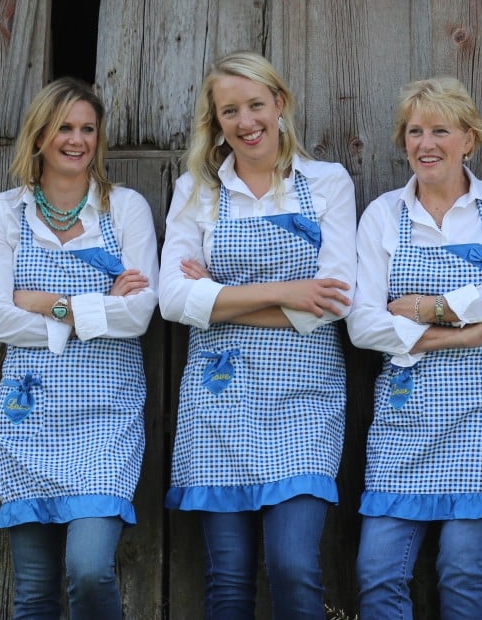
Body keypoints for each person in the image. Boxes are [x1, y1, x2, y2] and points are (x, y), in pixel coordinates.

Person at [159, 50, 356, 620]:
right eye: (229, 111)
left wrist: (218, 298)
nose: (246, 122)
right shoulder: (197, 190)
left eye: (255, 105)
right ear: (215, 122)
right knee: (227, 579)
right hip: (219, 403)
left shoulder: (326, 184)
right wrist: (285, 292)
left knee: (295, 568)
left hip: (304, 398)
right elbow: (173, 300)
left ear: (280, 105)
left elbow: (332, 301)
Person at [347, 76, 482, 620]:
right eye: (414, 131)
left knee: (460, 566)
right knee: (377, 572)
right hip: (405, 414)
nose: (426, 144)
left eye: (440, 130)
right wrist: (464, 333)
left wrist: (427, 308)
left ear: (469, 139)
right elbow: (363, 325)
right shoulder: (384, 213)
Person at [0, 78, 159, 619]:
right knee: (33, 591)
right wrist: (90, 303)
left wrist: (45, 303)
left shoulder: (124, 209)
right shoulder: (4, 213)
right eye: (64, 128)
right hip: (27, 419)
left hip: (106, 417)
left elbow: (139, 313)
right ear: (39, 136)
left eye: (86, 128)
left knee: (88, 568)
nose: (76, 140)